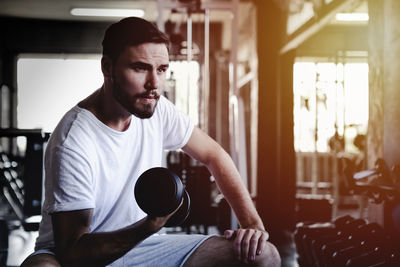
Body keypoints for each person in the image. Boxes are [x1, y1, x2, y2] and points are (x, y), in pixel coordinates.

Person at [21, 17, 280, 267]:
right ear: (107, 68)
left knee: (264, 255)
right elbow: (73, 253)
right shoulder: (74, 139)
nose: (154, 84)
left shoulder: (158, 109)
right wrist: (149, 225)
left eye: (162, 69)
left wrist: (252, 224)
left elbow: (213, 155)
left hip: (141, 248)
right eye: (140, 68)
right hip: (72, 254)